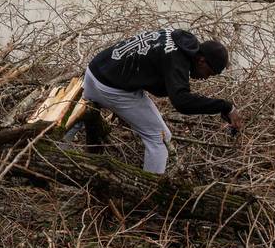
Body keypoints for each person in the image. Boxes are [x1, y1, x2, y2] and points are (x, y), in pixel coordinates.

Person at [82, 28, 238, 174]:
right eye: (209, 73)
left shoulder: (177, 41)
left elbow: (156, 79)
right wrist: (224, 106)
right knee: (160, 138)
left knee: (74, 117)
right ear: (202, 60)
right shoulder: (177, 59)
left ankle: (58, 155)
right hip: (109, 87)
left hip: (94, 71)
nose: (205, 78)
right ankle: (151, 192)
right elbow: (182, 102)